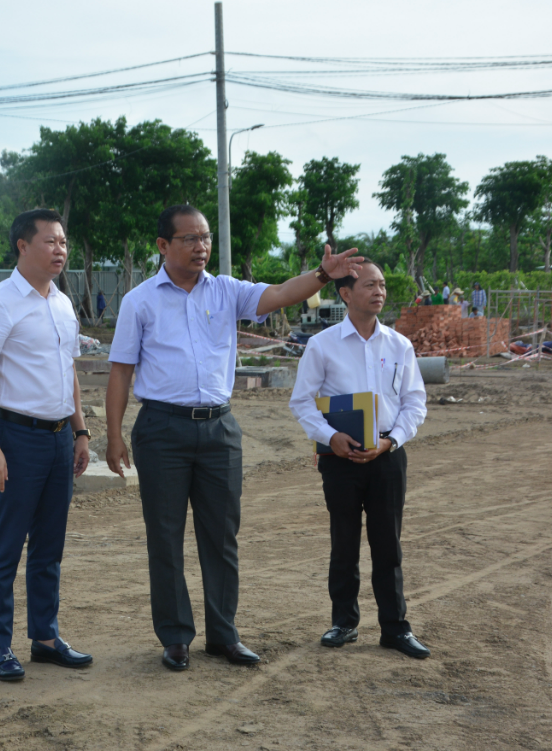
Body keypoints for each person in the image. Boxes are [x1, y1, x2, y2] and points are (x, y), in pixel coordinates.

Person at [105, 204, 364, 671]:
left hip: (219, 429)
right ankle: (176, 637)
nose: (201, 246)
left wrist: (323, 275)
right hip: (161, 429)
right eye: (189, 238)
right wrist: (114, 435)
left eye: (205, 237)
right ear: (163, 245)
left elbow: (280, 294)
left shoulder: (226, 290)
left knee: (222, 536)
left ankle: (223, 635)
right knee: (165, 536)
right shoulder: (139, 301)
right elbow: (121, 372)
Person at [0, 208, 93, 682]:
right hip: (16, 438)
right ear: (23, 246)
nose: (60, 250)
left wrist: (80, 431)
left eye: (63, 242)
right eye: (50, 242)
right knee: (4, 548)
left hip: (60, 438)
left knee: (49, 548)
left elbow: (69, 371)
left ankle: (45, 637)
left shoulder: (62, 303)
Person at [288, 261, 431, 659]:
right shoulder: (322, 345)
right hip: (340, 458)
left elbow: (414, 403)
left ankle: (395, 628)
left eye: (382, 285)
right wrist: (330, 437)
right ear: (346, 294)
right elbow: (301, 401)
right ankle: (344, 622)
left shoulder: (399, 345)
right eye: (370, 285)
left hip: (388, 457)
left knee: (388, 544)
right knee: (344, 542)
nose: (379, 291)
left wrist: (392, 441)